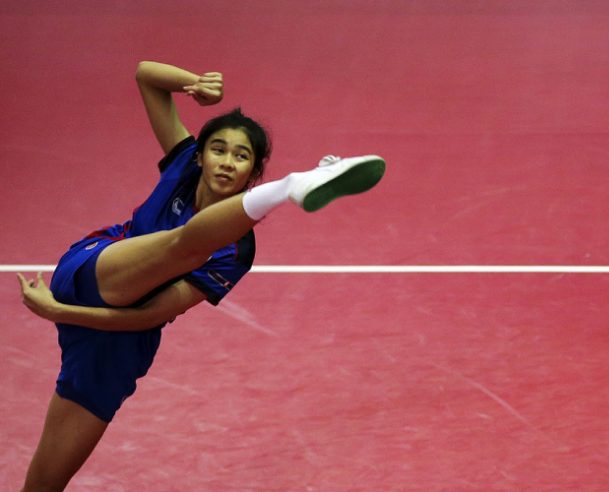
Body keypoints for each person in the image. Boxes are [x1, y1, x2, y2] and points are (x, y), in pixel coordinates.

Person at [15, 60, 385, 491]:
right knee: (182, 245)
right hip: (96, 266)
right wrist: (193, 84)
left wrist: (60, 314)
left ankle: (295, 185)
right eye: (219, 149)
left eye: (242, 156)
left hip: (118, 342)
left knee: (42, 486)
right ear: (202, 153)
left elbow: (146, 317)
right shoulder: (184, 167)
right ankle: (291, 187)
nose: (227, 162)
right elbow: (145, 77)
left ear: (253, 172)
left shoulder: (236, 250)